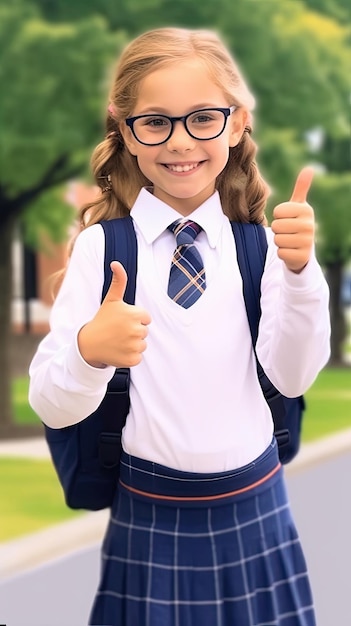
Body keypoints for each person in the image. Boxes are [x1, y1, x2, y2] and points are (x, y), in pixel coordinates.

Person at [28, 27, 330, 626]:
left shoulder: (264, 249)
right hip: (150, 516)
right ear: (125, 132)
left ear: (238, 123)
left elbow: (293, 376)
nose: (180, 141)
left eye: (202, 119)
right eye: (155, 122)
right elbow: (52, 403)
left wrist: (299, 273)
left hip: (257, 507)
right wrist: (90, 352)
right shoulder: (100, 250)